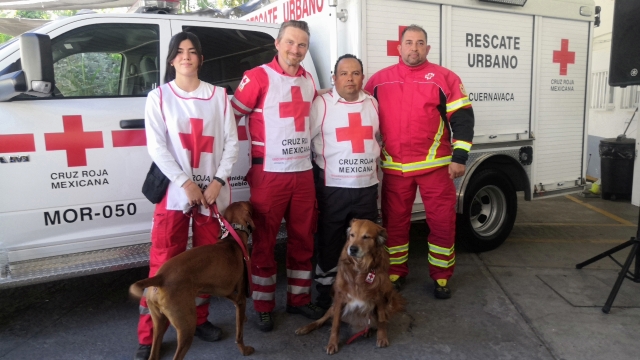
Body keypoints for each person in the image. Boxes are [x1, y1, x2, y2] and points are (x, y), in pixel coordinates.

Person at [134, 31, 239, 360]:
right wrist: (185, 182)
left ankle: (200, 319)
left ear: (201, 59)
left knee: (206, 262)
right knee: (164, 261)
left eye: (193, 52)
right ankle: (149, 333)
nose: (186, 56)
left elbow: (232, 144)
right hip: (175, 192)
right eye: (179, 52)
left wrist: (217, 182)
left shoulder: (220, 97)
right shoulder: (159, 98)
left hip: (211, 192)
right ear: (171, 59)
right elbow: (157, 147)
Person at [364, 24, 474, 300]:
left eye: (420, 42)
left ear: (428, 47)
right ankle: (396, 273)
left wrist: (459, 158)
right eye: (409, 42)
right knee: (395, 225)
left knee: (442, 223)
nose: (414, 47)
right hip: (395, 169)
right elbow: (361, 117)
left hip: (435, 167)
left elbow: (462, 118)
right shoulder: (377, 81)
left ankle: (441, 277)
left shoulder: (445, 78)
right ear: (399, 48)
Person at [230, 20, 323, 332]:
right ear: (277, 43)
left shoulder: (309, 81)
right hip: (269, 173)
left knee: (303, 239)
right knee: (265, 242)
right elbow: (231, 119)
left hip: (303, 173)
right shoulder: (257, 77)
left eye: (302, 45)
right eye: (290, 43)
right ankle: (263, 305)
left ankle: (298, 300)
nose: (295, 50)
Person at [309, 54, 380, 309]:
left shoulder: (372, 103)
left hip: (366, 188)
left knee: (366, 245)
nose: (350, 78)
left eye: (355, 73)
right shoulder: (322, 104)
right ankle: (325, 293)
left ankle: (362, 291)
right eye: (344, 73)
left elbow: (379, 138)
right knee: (329, 242)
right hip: (333, 187)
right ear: (334, 77)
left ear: (362, 76)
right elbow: (306, 137)